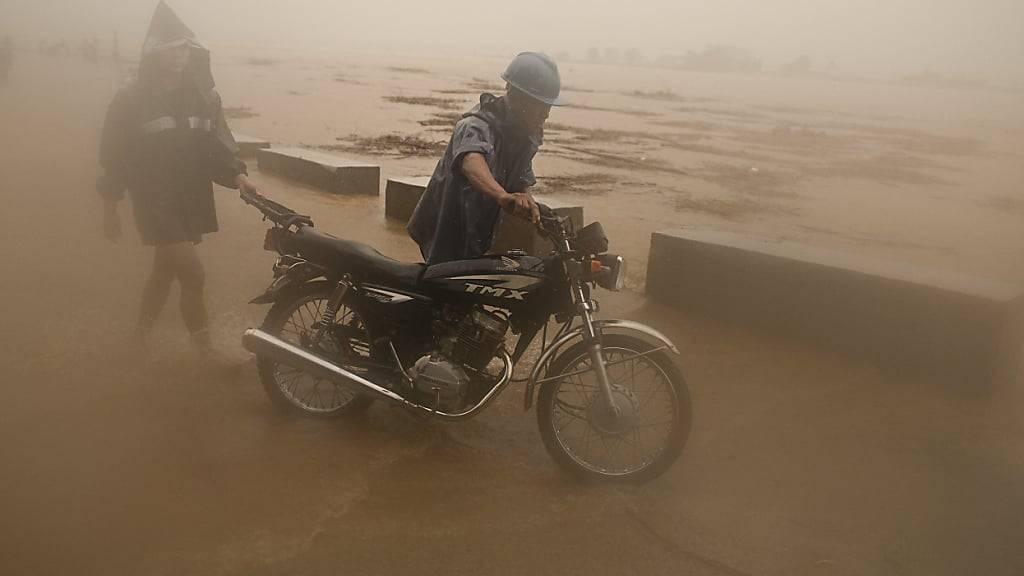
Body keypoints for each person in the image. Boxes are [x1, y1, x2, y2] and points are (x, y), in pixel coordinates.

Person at [97, 1, 258, 362]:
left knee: (164, 271)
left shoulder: (205, 97)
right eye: (169, 49)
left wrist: (239, 176)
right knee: (193, 273)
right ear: (154, 53)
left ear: (192, 50)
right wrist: (110, 209)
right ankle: (205, 351)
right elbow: (114, 158)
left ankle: (138, 338)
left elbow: (216, 146)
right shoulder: (130, 100)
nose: (177, 56)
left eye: (183, 48)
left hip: (189, 196)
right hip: (153, 200)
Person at [407, 52, 566, 264]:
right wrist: (502, 196)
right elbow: (471, 163)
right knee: (444, 279)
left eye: (548, 107)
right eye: (541, 106)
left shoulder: (527, 135)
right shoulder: (475, 125)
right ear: (517, 97)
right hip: (447, 219)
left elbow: (521, 177)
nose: (545, 115)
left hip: (481, 222)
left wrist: (526, 199)